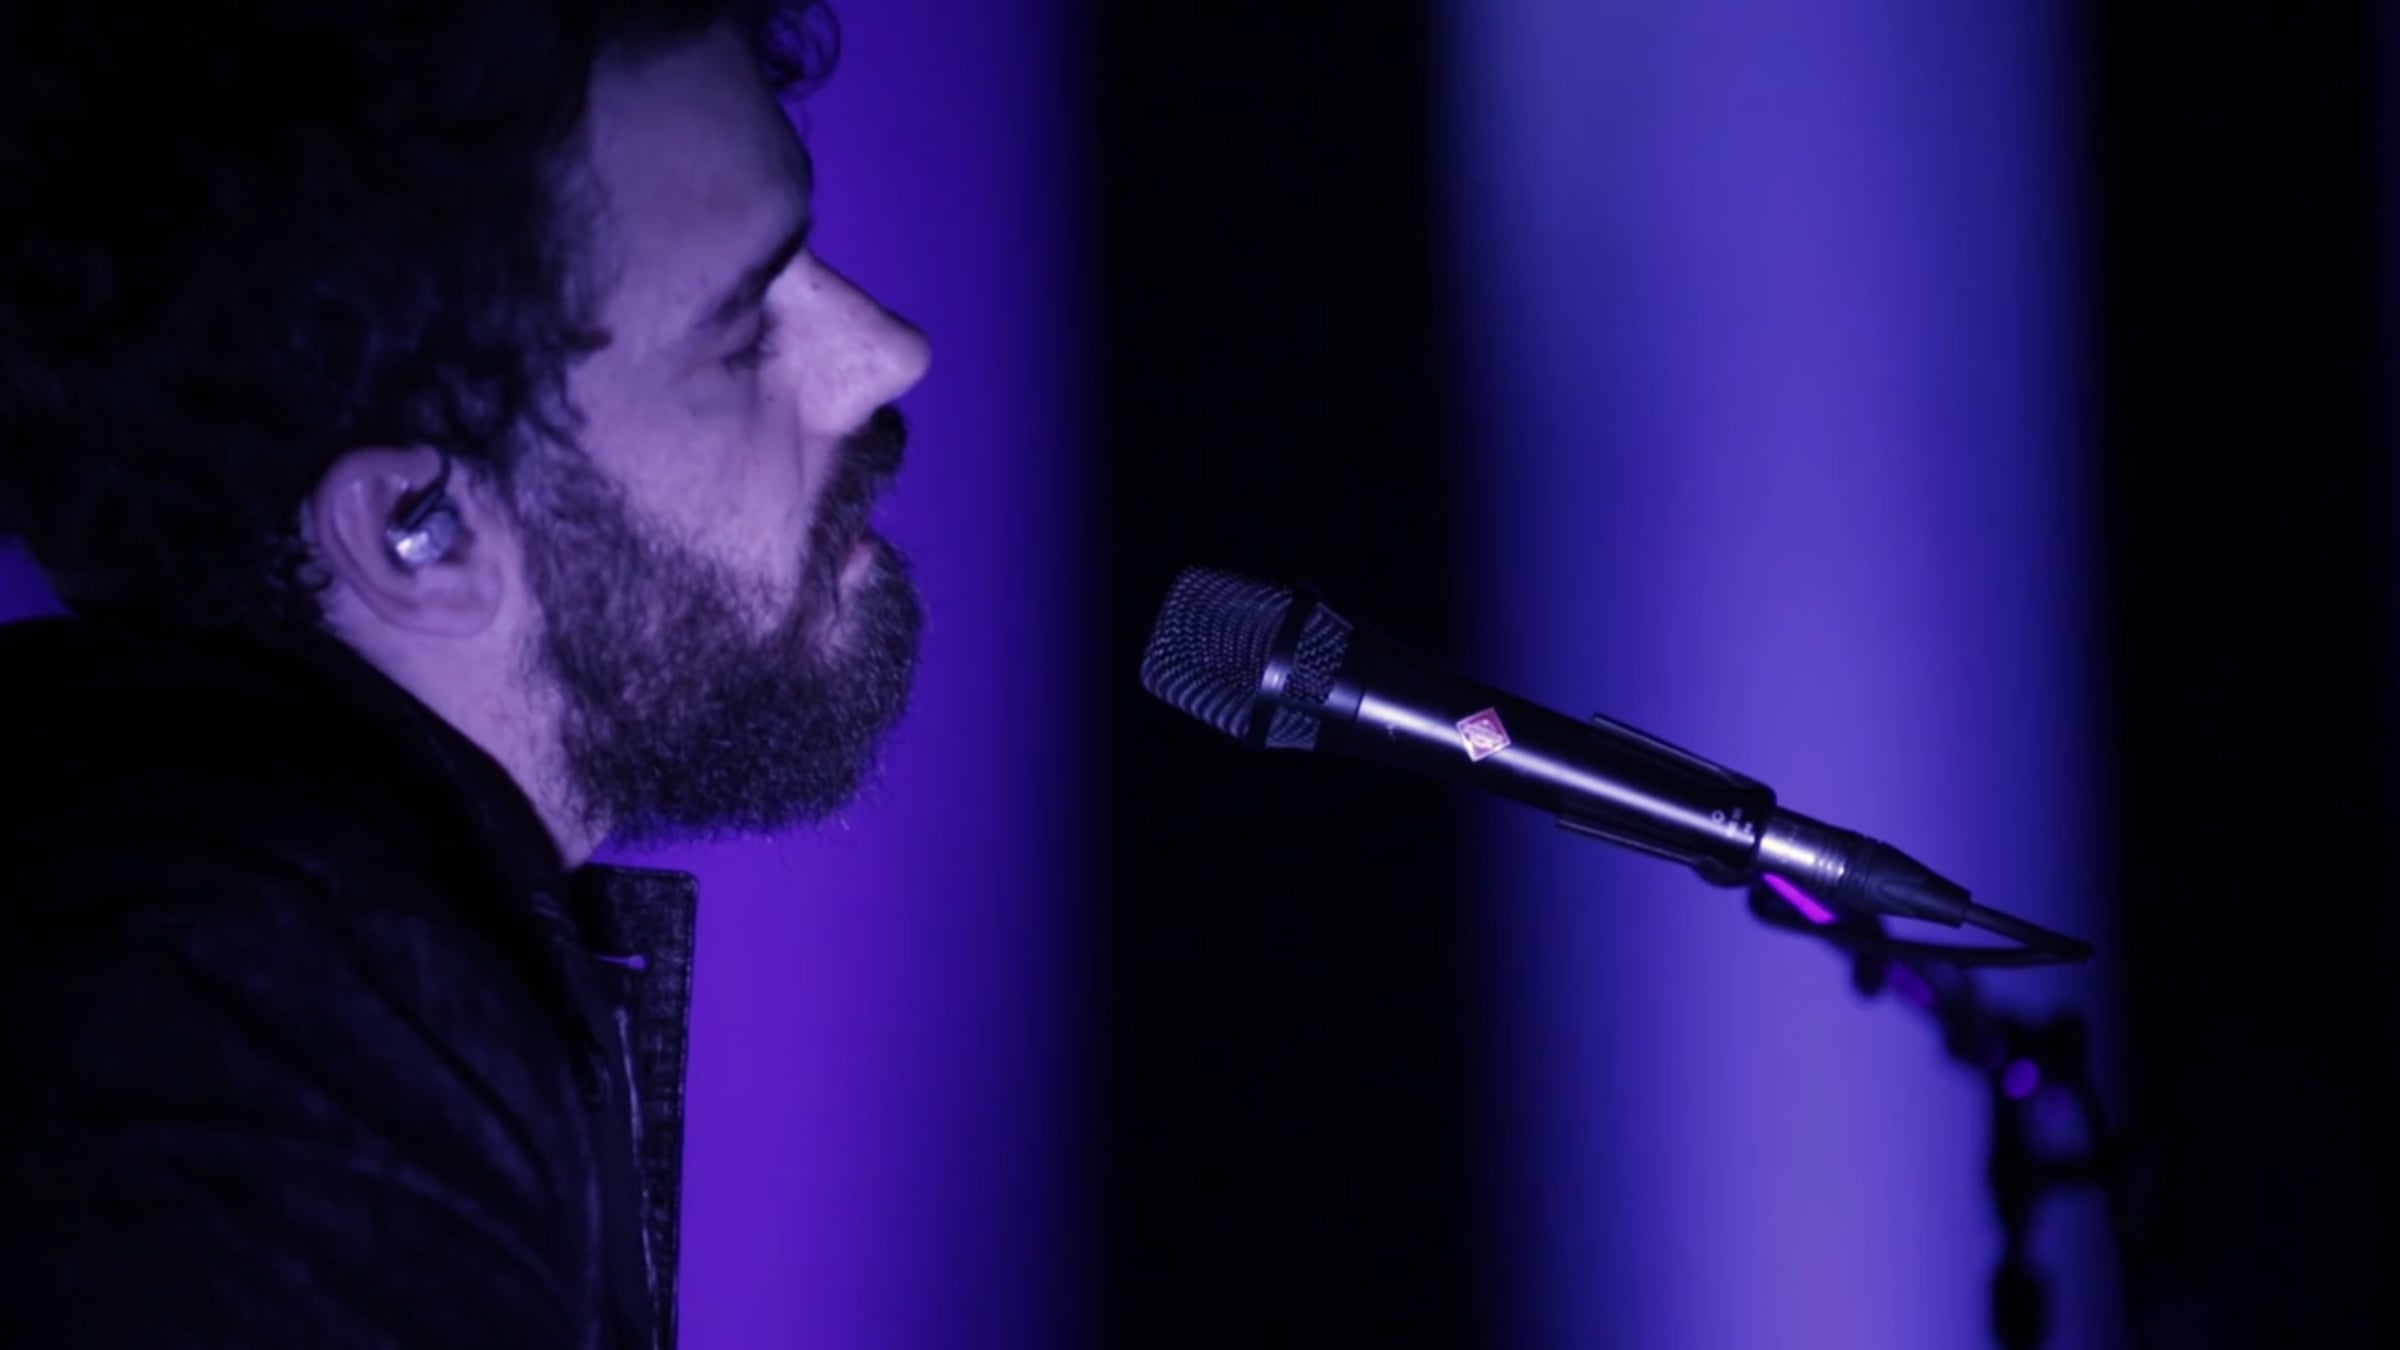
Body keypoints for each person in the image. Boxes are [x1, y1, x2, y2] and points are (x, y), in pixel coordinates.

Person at [0, 1, 930, 1344]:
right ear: (414, 534)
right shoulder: (252, 1056)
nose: (887, 355)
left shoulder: (270, 955)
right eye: (739, 332)